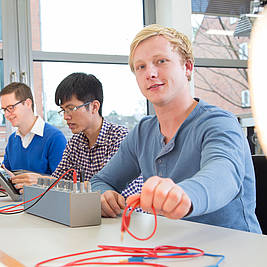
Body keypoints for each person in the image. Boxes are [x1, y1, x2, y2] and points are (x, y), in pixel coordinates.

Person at [91, 24, 261, 233]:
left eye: (161, 61)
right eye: (140, 67)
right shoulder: (143, 131)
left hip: (235, 250)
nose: (150, 73)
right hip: (171, 247)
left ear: (187, 67)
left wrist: (182, 194)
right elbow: (101, 181)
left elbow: (223, 174)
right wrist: (103, 194)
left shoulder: (219, 122)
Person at [11, 73, 143, 200]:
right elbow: (59, 180)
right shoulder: (75, 143)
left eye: (71, 108)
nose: (65, 117)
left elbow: (114, 194)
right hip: (89, 215)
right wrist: (40, 181)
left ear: (94, 107)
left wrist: (43, 181)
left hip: (127, 218)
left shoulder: (120, 138)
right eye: (63, 110)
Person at [0, 82, 67, 180]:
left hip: (46, 196)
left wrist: (38, 181)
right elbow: (6, 175)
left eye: (11, 108)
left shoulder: (55, 138)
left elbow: (64, 183)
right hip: (18, 195)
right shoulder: (12, 140)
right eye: (4, 110)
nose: (6, 114)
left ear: (28, 103)